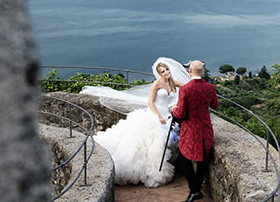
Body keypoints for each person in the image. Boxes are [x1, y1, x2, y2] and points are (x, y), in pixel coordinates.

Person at [80, 57, 190, 187]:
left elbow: (188, 87)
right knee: (156, 143)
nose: (166, 72)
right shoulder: (157, 84)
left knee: (168, 142)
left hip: (168, 115)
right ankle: (153, 169)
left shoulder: (172, 82)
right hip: (155, 114)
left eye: (167, 69)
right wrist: (159, 116)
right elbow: (150, 102)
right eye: (163, 71)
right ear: (159, 74)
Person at [172, 60, 219, 202]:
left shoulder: (185, 89)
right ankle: (196, 190)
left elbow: (180, 114)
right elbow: (215, 105)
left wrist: (174, 109)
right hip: (205, 130)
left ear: (190, 71)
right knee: (203, 162)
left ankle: (194, 190)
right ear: (202, 71)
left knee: (183, 159)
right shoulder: (210, 88)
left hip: (190, 131)